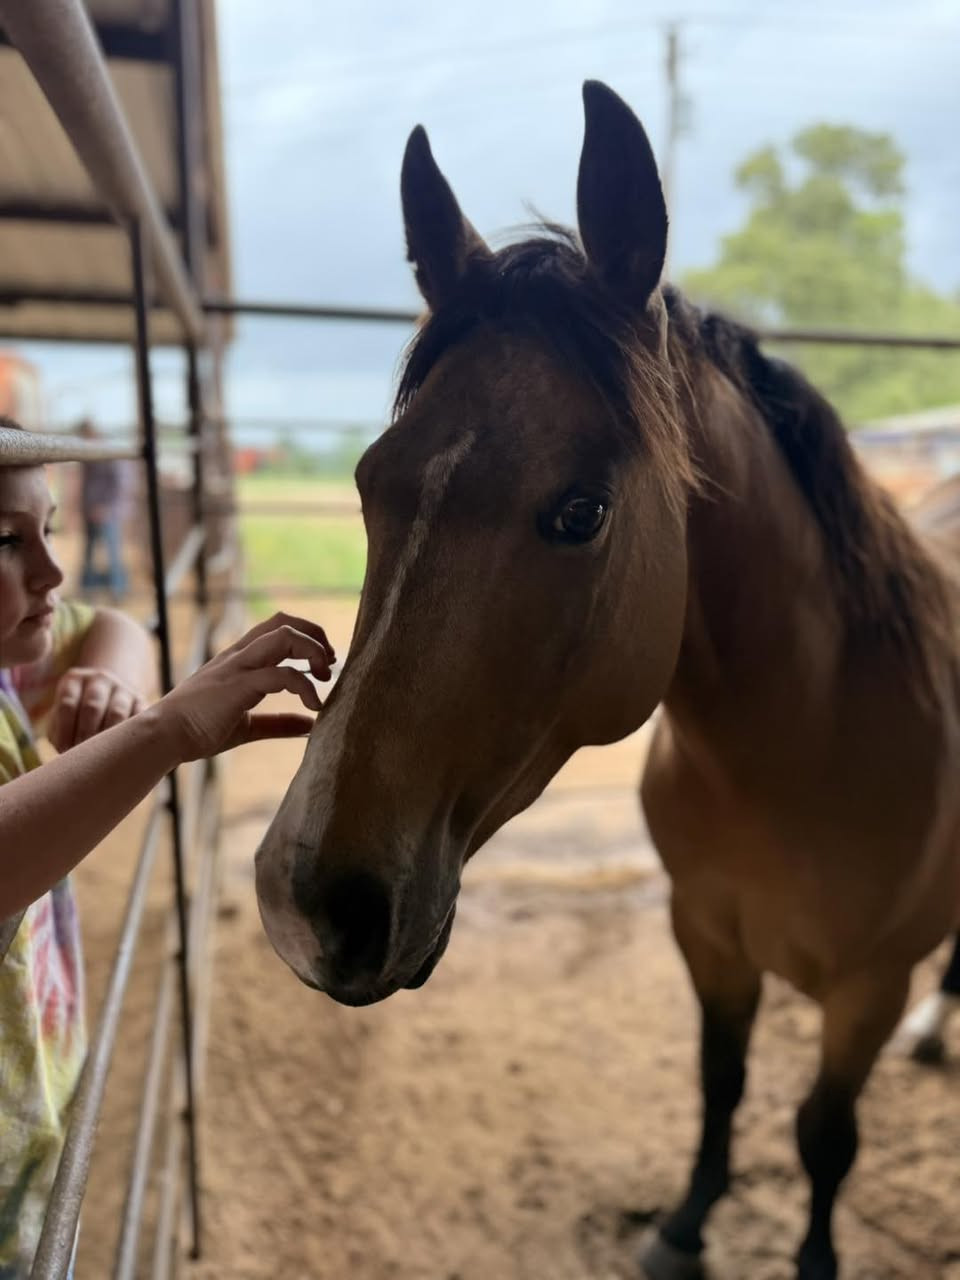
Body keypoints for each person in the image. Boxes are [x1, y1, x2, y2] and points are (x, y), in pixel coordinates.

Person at [0, 418, 334, 1277]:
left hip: (31, 1135)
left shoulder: (7, 659)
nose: (52, 570)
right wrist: (162, 730)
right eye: (5, 541)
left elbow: (113, 623)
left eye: (49, 528)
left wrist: (113, 676)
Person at [77, 419, 130, 601]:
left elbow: (121, 483)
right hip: (91, 511)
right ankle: (88, 591)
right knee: (90, 551)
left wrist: (106, 508)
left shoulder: (107, 452)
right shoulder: (89, 455)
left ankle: (117, 590)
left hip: (107, 513)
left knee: (112, 551)